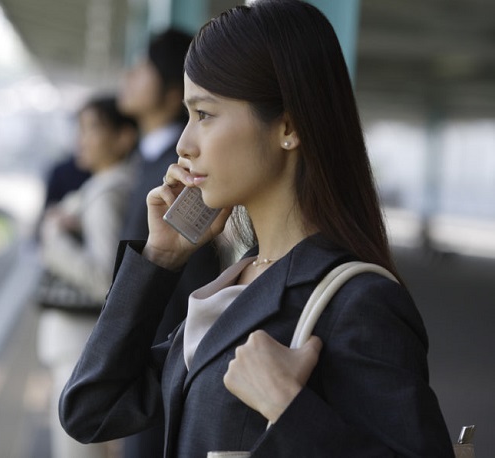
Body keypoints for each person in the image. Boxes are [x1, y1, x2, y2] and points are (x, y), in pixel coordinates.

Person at [59, 1, 454, 456]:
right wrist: (159, 259)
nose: (185, 144)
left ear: (288, 125)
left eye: (204, 115)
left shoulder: (358, 304)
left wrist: (289, 408)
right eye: (187, 116)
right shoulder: (237, 283)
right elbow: (92, 409)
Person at [117, 27, 222, 458]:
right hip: (141, 353)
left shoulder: (181, 173)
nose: (129, 76)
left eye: (207, 115)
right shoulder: (147, 158)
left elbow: (192, 277)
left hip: (162, 355)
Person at [37, 95, 138, 458]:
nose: (81, 139)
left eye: (92, 129)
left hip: (79, 346)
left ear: (124, 137)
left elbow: (106, 281)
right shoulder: (118, 184)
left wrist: (53, 238)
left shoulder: (107, 190)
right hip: (84, 346)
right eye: (79, 129)